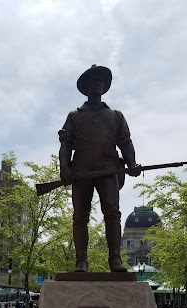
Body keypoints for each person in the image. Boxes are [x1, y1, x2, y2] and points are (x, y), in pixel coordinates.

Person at [58, 64, 141, 273]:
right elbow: (65, 144)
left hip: (108, 167)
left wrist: (131, 163)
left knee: (112, 213)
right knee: (79, 216)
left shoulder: (116, 116)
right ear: (85, 86)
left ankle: (115, 259)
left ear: (104, 86)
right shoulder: (74, 116)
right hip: (81, 169)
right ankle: (81, 261)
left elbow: (126, 142)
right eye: (93, 80)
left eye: (100, 80)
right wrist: (64, 167)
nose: (97, 83)